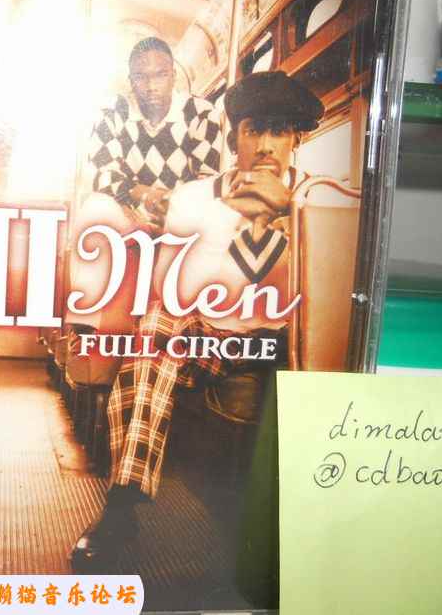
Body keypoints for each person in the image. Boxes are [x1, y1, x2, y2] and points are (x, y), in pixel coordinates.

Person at [70, 70, 326, 570]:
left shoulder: (316, 201)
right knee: (156, 330)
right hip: (207, 338)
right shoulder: (193, 198)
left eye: (278, 131)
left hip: (282, 343)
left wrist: (285, 216)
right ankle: (122, 505)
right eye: (254, 130)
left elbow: (322, 292)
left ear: (295, 138)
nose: (266, 145)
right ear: (235, 139)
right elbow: (172, 290)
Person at [66, 36, 223, 335]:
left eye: (160, 75)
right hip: (129, 213)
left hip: (181, 215)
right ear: (130, 80)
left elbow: (208, 179)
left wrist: (173, 205)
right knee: (96, 206)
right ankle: (85, 321)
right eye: (141, 76)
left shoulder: (201, 112)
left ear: (174, 76)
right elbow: (102, 175)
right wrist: (145, 195)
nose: (151, 86)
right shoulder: (113, 112)